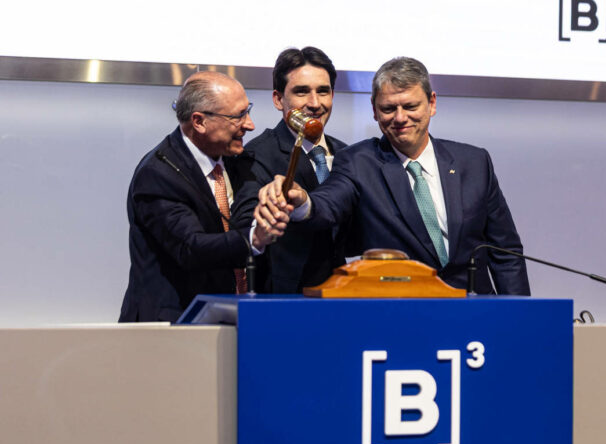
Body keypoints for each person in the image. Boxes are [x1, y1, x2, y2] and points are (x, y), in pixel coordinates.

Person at [257, 57, 530, 295]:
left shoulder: (474, 162)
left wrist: (520, 319)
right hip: (401, 311)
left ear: (432, 103)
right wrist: (303, 201)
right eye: (388, 109)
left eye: (410, 106)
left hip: (476, 311)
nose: (400, 118)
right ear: (374, 110)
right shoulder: (358, 162)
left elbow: (505, 253)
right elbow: (328, 203)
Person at [120, 71, 286, 322]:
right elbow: (191, 248)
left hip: (231, 320)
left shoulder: (237, 161)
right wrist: (254, 238)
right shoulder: (158, 174)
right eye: (238, 116)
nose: (249, 125)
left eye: (247, 111)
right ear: (199, 121)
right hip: (173, 326)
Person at [245, 47, 350, 293]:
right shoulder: (255, 155)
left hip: (344, 296)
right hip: (284, 299)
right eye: (301, 92)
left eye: (323, 91)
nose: (314, 104)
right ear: (278, 99)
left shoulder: (347, 155)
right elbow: (247, 227)